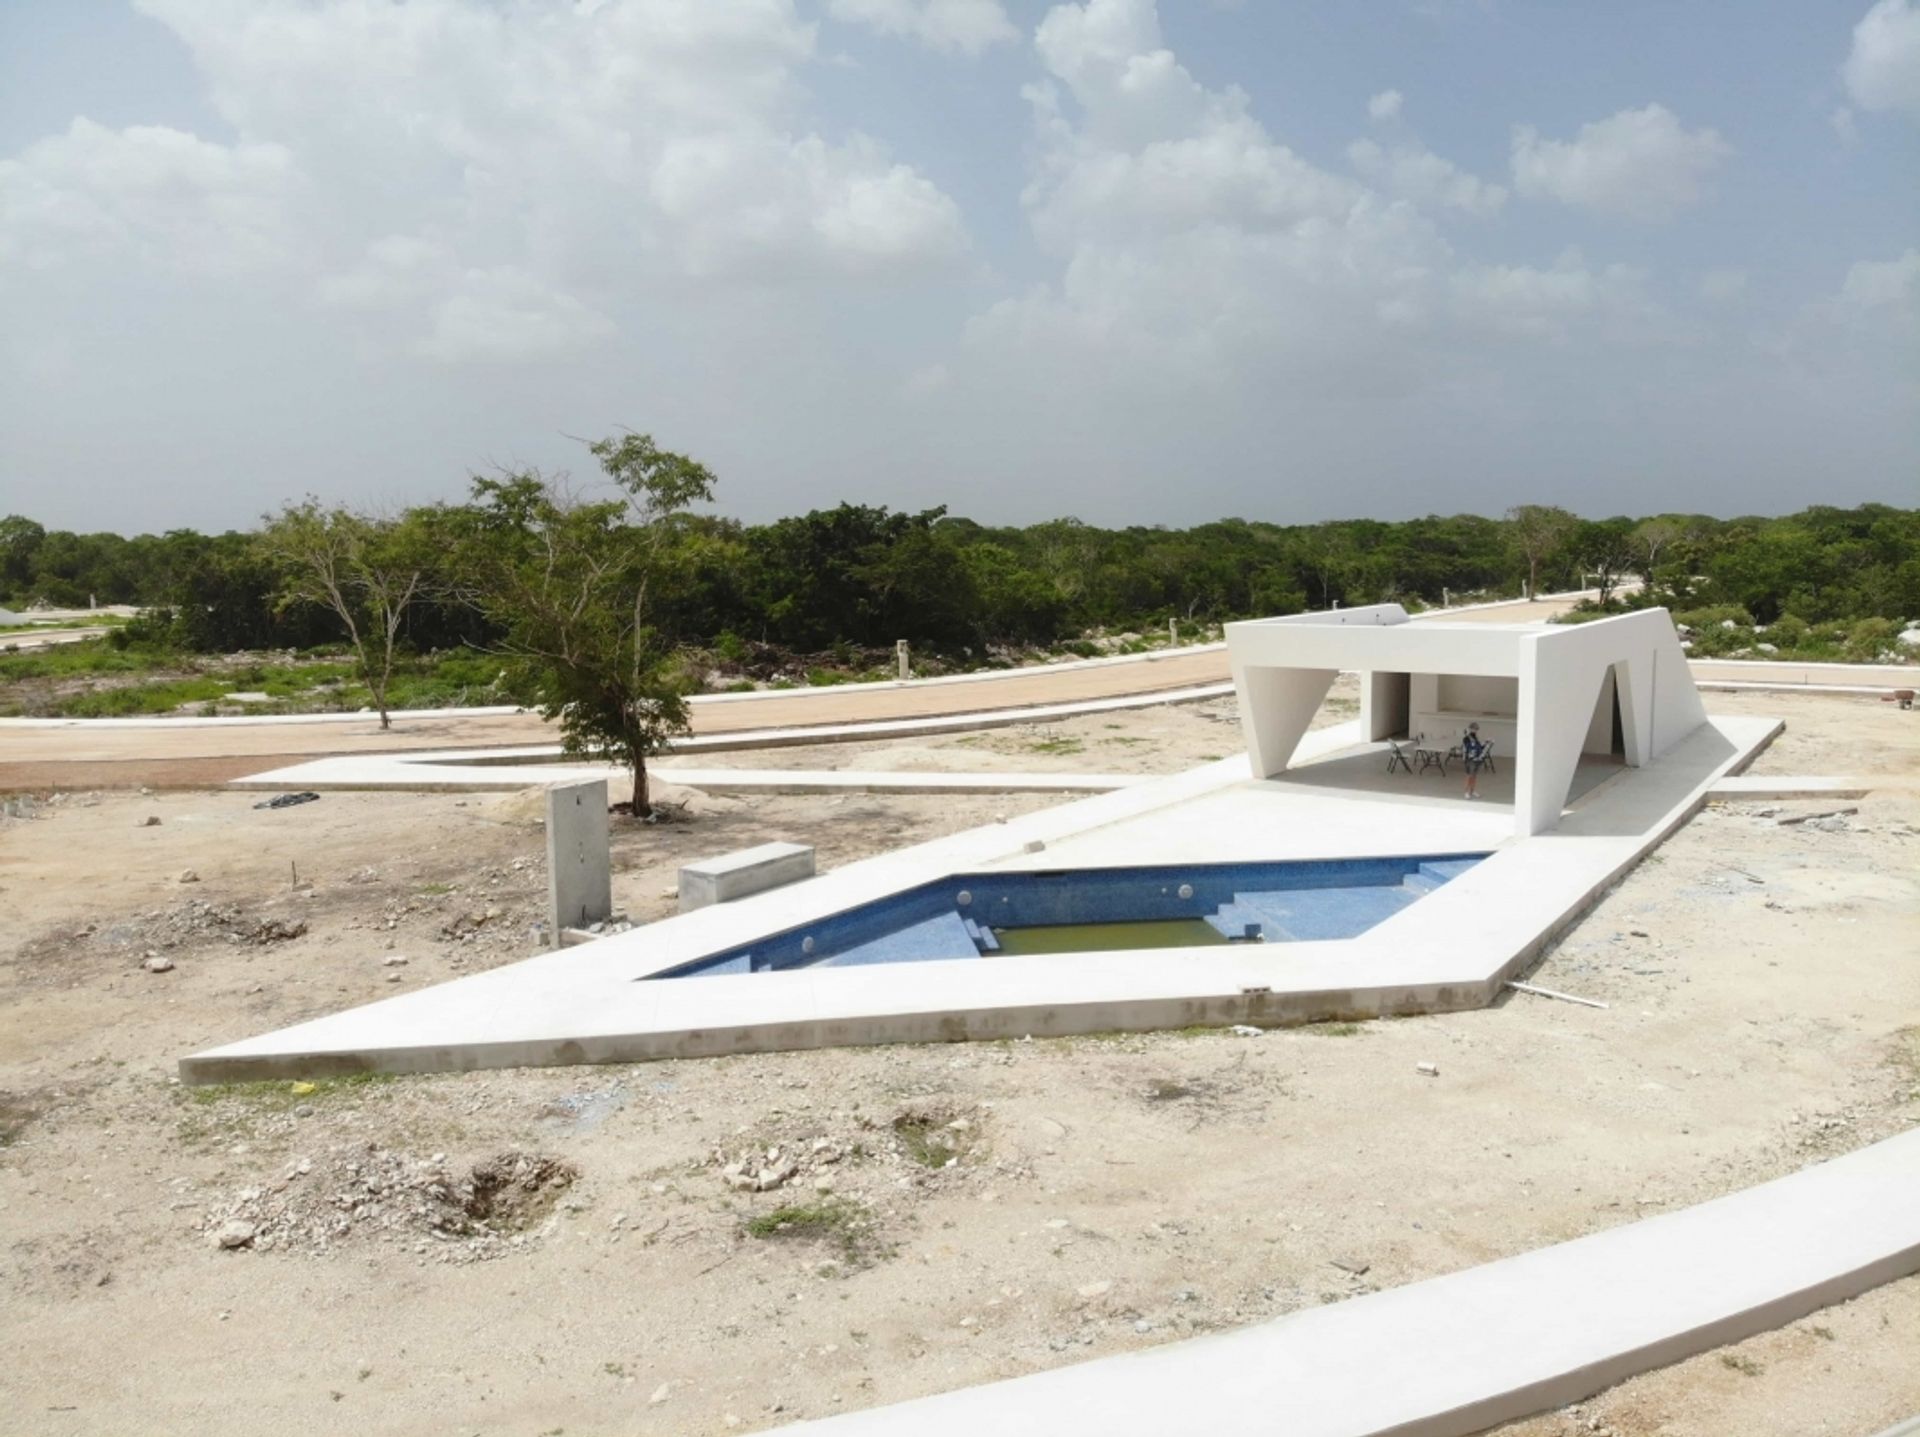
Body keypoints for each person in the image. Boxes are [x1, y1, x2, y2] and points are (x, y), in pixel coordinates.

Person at [1461, 722, 1489, 800]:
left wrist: (1485, 743)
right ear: (1470, 729)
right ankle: (1466, 792)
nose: (1475, 731)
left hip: (1477, 760)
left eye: (1476, 729)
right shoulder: (1466, 738)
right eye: (1474, 729)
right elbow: (1468, 748)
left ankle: (1472, 791)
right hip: (1470, 760)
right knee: (1469, 776)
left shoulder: (1475, 738)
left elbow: (1478, 747)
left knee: (1474, 776)